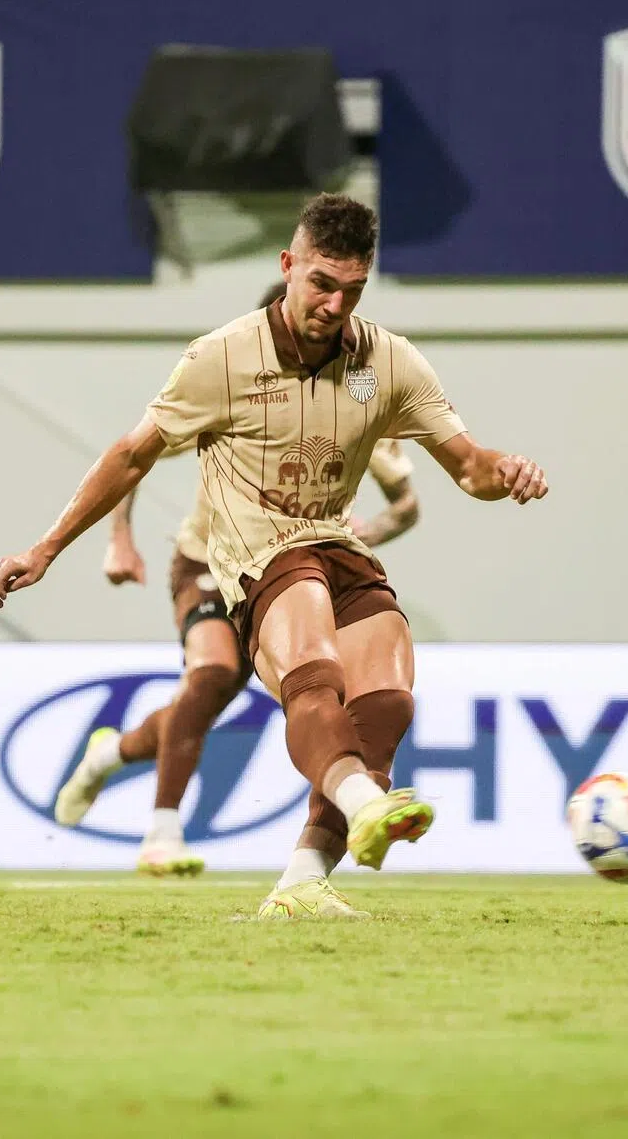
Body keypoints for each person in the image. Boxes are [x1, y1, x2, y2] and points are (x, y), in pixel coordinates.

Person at [0, 194, 547, 919]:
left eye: (353, 290)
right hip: (252, 558)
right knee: (290, 668)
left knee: (387, 694)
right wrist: (48, 548)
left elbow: (469, 468)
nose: (335, 304)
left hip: (336, 542)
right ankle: (326, 806)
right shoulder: (220, 359)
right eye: (322, 283)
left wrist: (507, 473)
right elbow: (131, 457)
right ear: (289, 266)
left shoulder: (384, 364)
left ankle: (300, 884)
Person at [54, 330, 421, 877]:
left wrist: (371, 529)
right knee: (212, 674)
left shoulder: (357, 397)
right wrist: (120, 538)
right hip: (208, 563)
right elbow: (136, 454)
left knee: (223, 700)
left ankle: (110, 753)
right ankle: (162, 833)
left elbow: (407, 504)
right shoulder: (237, 385)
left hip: (299, 570)